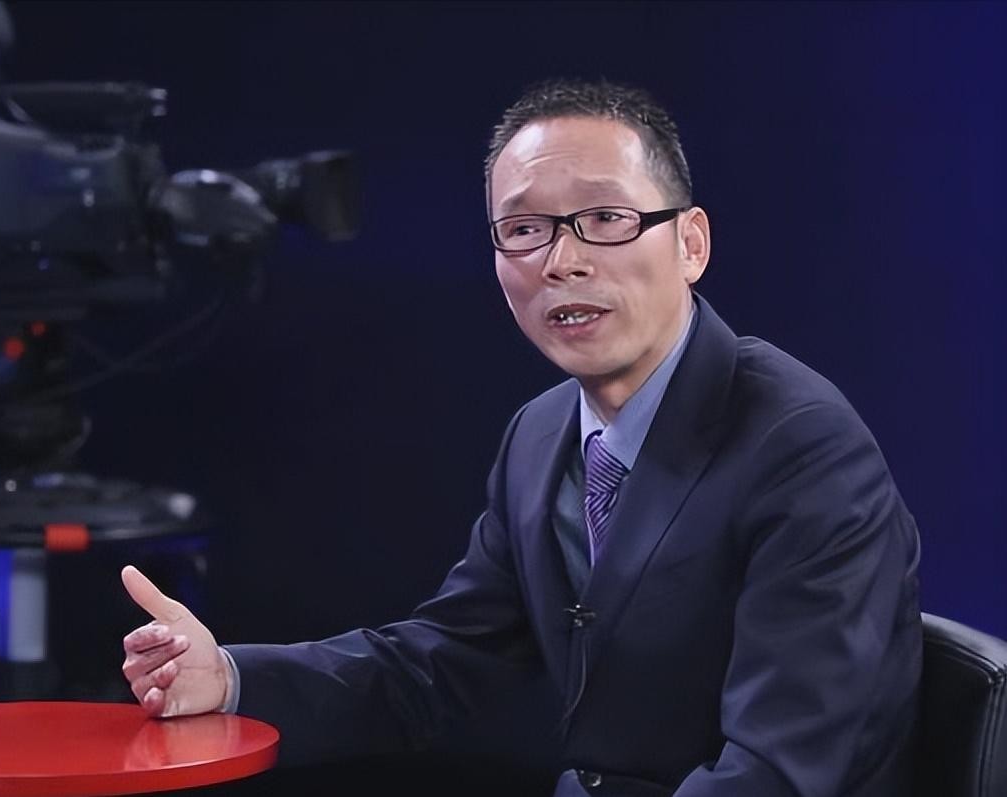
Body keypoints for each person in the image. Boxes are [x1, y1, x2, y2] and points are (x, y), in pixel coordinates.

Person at [120, 79, 922, 797]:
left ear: (691, 244)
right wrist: (228, 678)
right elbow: (438, 664)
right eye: (525, 228)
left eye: (604, 219)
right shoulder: (541, 434)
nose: (562, 261)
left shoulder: (802, 446)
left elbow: (779, 771)